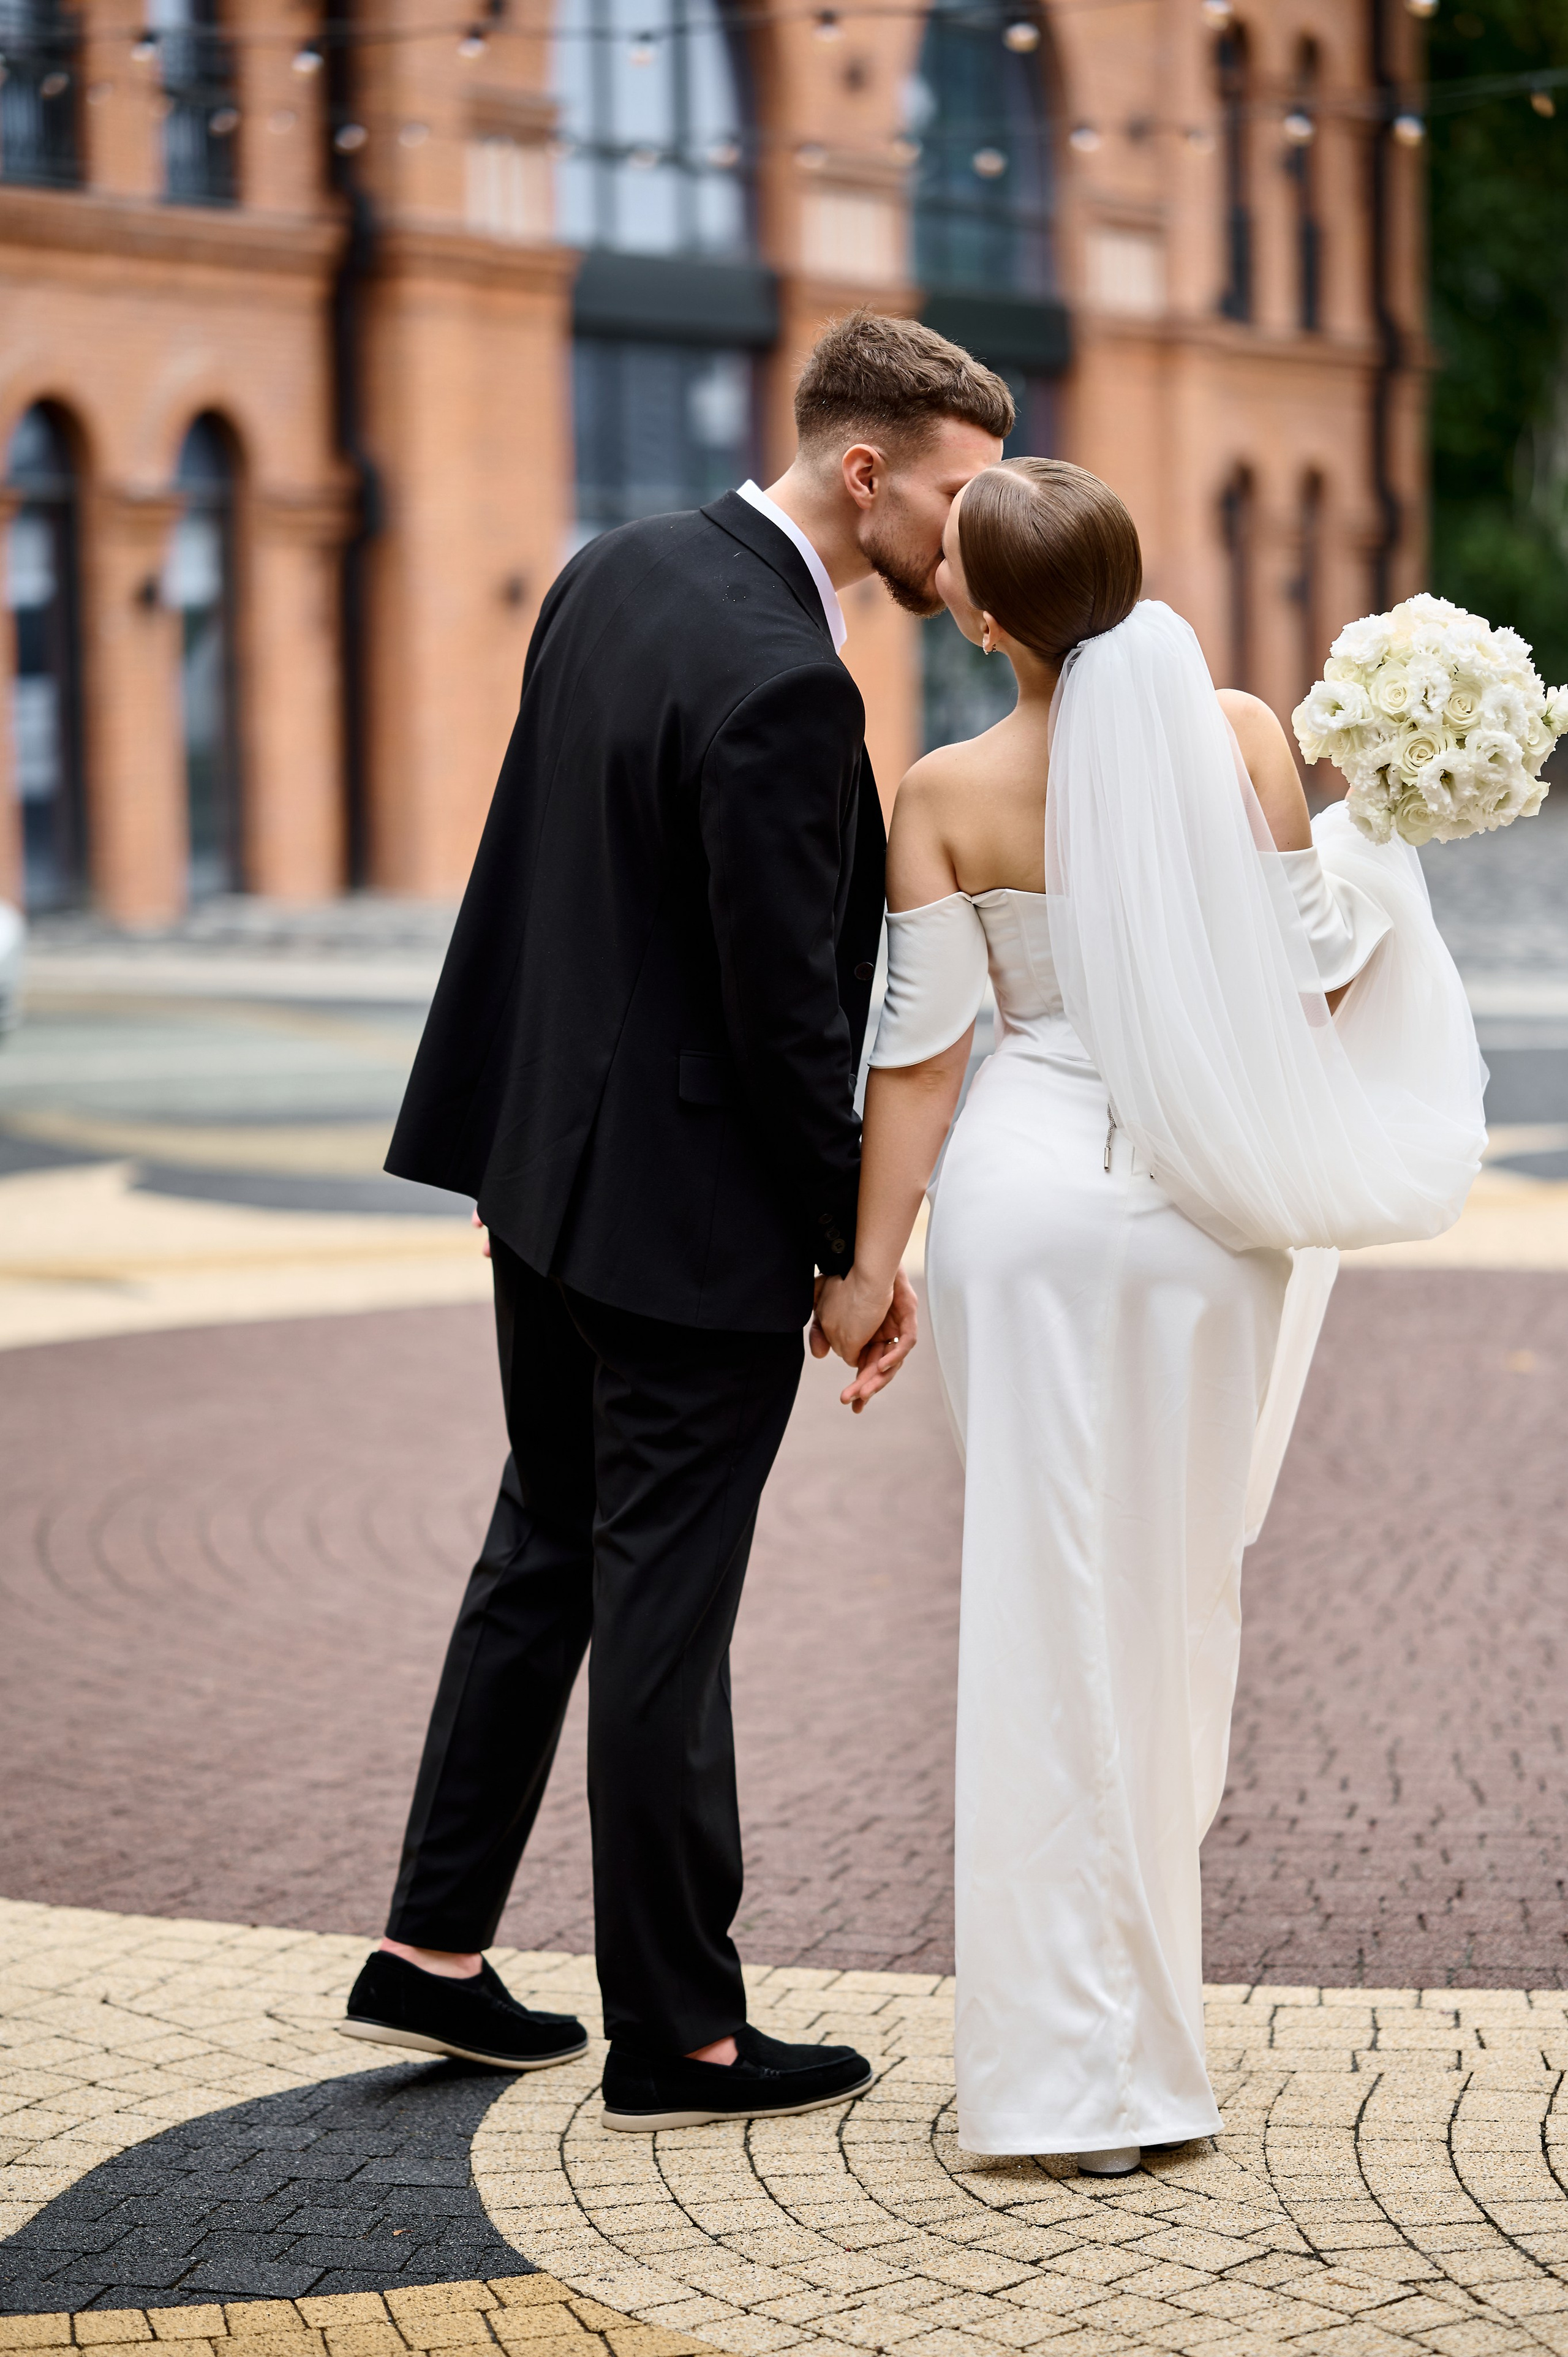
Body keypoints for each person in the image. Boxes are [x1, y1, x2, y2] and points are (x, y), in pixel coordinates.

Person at [338, 312, 1011, 2130]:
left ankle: (436, 1952)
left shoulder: (614, 569)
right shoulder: (794, 684)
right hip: (685, 1227)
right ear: (867, 472)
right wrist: (850, 1258)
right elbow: (790, 1011)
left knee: (544, 1549)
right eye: (956, 493)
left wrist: (516, 1142)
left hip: (541, 1180)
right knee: (661, 1614)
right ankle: (686, 2037)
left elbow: (548, 876)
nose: (973, 528)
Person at [816, 459, 1485, 2174]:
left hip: (1025, 1217)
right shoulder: (1250, 735)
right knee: (1173, 1612)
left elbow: (919, 1058)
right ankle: (1143, 2064)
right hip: (1201, 1226)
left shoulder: (947, 790)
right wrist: (1381, 837)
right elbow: (1313, 977)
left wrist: (867, 1272)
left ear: (979, 617)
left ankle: (1059, 2079)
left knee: (1041, 1616)